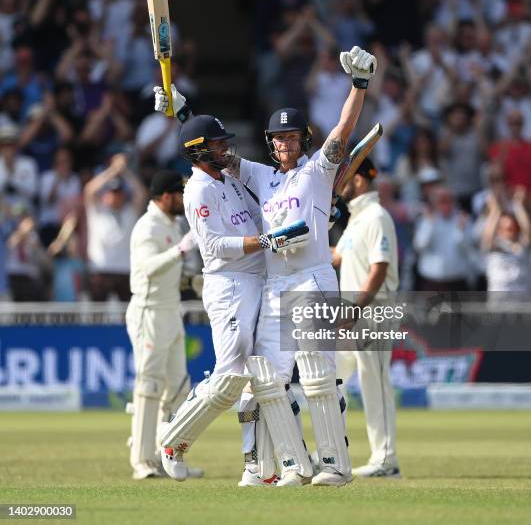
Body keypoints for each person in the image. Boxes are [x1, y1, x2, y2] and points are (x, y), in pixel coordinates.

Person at [228, 45, 377, 487]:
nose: (284, 143)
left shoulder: (318, 170)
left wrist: (359, 85)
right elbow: (218, 159)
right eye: (278, 138)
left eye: (292, 138)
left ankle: (334, 464)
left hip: (313, 278)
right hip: (277, 282)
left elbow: (344, 130)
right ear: (271, 143)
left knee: (315, 374)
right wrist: (183, 118)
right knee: (268, 379)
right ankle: (290, 466)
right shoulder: (259, 175)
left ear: (302, 142)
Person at [156, 114, 309, 484]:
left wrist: (300, 222)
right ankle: (173, 441)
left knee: (261, 375)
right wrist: (265, 242)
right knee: (231, 376)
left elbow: (263, 218)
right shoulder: (197, 191)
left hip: (259, 280)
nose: (225, 148)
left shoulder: (229, 181)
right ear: (199, 151)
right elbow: (214, 247)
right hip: (229, 286)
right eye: (218, 143)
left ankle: (256, 467)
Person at [126, 170, 200, 480]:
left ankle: (165, 456)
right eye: (180, 194)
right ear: (166, 196)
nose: (184, 200)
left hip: (171, 311)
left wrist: (193, 281)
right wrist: (180, 251)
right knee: (150, 386)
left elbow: (169, 273)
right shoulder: (148, 226)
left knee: (179, 390)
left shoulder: (171, 224)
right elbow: (148, 268)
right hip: (149, 313)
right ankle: (142, 460)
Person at [332, 158, 401, 478]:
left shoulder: (376, 216)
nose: (339, 184)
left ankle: (386, 459)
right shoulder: (357, 219)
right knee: (332, 377)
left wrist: (355, 307)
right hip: (352, 314)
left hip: (372, 311)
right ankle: (332, 452)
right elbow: (335, 256)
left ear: (358, 180)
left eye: (343, 178)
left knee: (374, 381)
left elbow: (380, 268)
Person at [84, 153, 147, 301]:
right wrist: (113, 170)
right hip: (100, 269)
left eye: (118, 193)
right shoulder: (97, 210)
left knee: (129, 316)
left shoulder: (129, 211)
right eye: (111, 192)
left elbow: (142, 193)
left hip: (125, 270)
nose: (115, 196)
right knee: (97, 317)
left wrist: (124, 171)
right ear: (105, 195)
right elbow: (89, 190)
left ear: (124, 195)